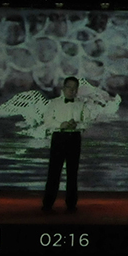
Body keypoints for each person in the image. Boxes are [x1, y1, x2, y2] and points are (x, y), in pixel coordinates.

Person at [41, 76, 88, 213]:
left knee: (72, 173)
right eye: (69, 87)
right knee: (54, 172)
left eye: (74, 88)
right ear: (63, 88)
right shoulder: (54, 103)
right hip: (59, 137)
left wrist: (77, 125)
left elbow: (87, 122)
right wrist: (60, 125)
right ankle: (48, 204)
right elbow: (47, 121)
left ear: (77, 90)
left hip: (74, 138)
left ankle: (71, 204)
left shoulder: (81, 104)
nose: (71, 91)